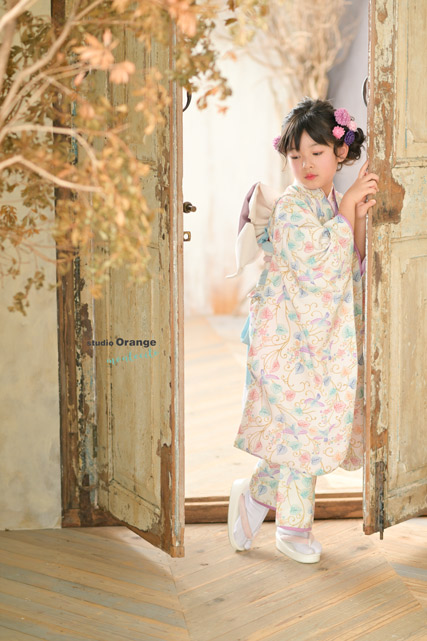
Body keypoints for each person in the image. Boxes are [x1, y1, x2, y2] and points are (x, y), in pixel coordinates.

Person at [226, 97, 379, 564]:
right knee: (303, 428)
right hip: (288, 337)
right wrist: (349, 205)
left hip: (315, 335)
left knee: (304, 428)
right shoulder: (293, 206)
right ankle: (292, 531)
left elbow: (348, 260)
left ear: (340, 152)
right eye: (296, 155)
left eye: (317, 152)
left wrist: (352, 211)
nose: (306, 164)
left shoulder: (328, 201)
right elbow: (319, 267)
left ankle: (254, 497)